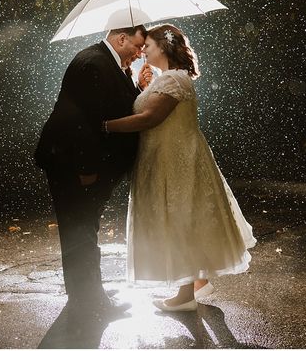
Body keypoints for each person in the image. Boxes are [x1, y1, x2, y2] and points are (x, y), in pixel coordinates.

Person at [103, 24, 257, 312]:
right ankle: (198, 281)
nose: (143, 50)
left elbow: (149, 118)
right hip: (172, 155)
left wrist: (104, 127)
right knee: (185, 216)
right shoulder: (168, 79)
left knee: (178, 218)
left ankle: (184, 296)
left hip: (174, 160)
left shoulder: (173, 80)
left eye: (147, 45)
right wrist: (141, 85)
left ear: (163, 47)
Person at [34, 24, 149, 317]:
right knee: (79, 229)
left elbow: (116, 106)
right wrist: (86, 168)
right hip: (73, 163)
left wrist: (138, 87)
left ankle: (87, 293)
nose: (140, 53)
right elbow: (81, 121)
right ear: (121, 38)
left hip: (83, 163)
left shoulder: (110, 63)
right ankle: (89, 302)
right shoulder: (92, 63)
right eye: (137, 46)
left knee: (85, 227)